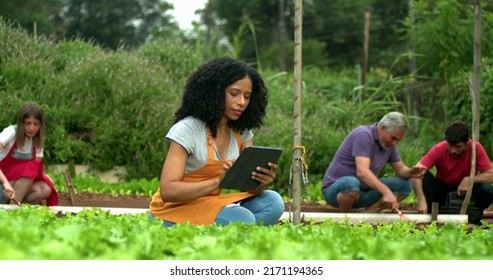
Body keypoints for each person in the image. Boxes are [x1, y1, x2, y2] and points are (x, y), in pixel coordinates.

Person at [149, 57, 284, 226]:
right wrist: (217, 182)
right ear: (215, 92)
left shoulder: (242, 132)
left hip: (210, 204)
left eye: (247, 96)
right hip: (172, 209)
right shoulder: (187, 129)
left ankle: (233, 230)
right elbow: (168, 191)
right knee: (243, 218)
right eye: (234, 94)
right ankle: (238, 229)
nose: (241, 102)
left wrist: (260, 182)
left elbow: (248, 187)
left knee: (273, 201)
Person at [321, 112, 422, 213]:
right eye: (393, 138)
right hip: (337, 190)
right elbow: (362, 172)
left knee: (404, 185)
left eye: (398, 140)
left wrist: (410, 172)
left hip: (363, 191)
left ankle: (368, 213)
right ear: (382, 128)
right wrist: (386, 192)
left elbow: (400, 169)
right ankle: (345, 220)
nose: (395, 143)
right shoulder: (363, 135)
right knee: (351, 183)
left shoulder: (389, 145)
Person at [411, 121, 493, 223]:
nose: (452, 150)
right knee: (425, 177)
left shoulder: (475, 148)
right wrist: (421, 200)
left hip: (468, 192)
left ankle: (474, 216)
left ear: (466, 143)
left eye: (457, 147)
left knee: (488, 190)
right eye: (450, 145)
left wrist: (470, 180)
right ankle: (430, 215)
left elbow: (491, 175)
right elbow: (415, 174)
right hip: (443, 192)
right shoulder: (439, 149)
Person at [0, 101, 58, 205]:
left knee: (45, 188)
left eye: (36, 124)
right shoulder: (11, 132)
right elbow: (30, 169)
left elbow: (36, 167)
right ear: (21, 123)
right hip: (3, 186)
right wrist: (5, 183)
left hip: (15, 190)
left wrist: (44, 176)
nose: (32, 128)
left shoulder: (38, 140)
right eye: (28, 123)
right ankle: (12, 212)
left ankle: (14, 208)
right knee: (30, 169)